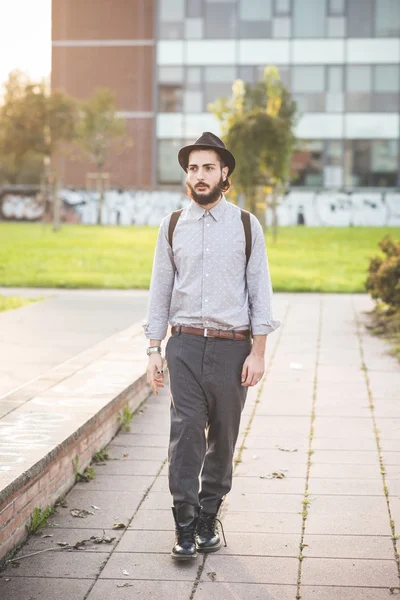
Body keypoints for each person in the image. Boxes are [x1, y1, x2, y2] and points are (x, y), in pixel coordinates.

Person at [143, 132, 280, 560]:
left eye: (207, 168)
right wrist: (153, 349)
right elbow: (159, 289)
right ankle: (183, 525)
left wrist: (258, 352)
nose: (199, 176)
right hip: (183, 346)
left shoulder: (245, 225)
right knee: (185, 435)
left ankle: (208, 516)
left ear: (224, 174)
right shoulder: (171, 225)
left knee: (222, 435)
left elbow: (260, 291)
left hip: (232, 349)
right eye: (192, 168)